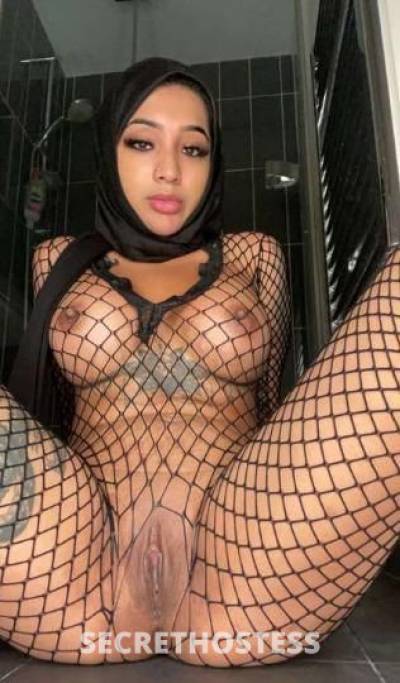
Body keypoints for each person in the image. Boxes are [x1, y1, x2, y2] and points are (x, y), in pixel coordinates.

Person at [0, 56, 400, 666]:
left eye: (194, 149)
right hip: (66, 568)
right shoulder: (56, 258)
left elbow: (275, 406)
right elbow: (47, 408)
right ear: (108, 152)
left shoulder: (253, 255)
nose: (169, 170)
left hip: (248, 568)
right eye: (141, 142)